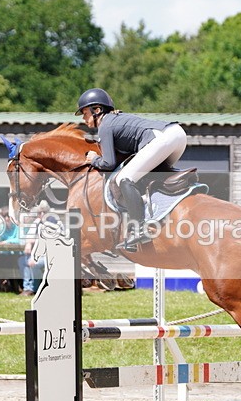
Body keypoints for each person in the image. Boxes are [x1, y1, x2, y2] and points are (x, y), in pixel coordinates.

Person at [75, 88, 187, 250]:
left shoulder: (105, 125)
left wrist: (94, 159)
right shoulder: (114, 119)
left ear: (97, 110)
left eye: (85, 113)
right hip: (177, 136)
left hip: (164, 139)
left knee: (124, 179)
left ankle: (139, 229)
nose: (84, 119)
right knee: (145, 179)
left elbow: (108, 163)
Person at [18, 200, 60, 296]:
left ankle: (34, 288)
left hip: (50, 255)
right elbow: (29, 236)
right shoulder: (37, 222)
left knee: (34, 263)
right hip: (38, 254)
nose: (39, 215)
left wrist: (32, 243)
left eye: (42, 212)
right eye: (39, 213)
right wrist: (28, 243)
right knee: (22, 261)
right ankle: (27, 287)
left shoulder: (53, 222)